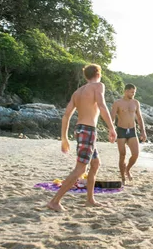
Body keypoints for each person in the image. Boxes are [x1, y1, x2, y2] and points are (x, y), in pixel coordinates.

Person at [47, 64, 117, 212]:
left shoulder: (77, 92)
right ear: (98, 74)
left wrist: (64, 138)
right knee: (80, 169)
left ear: (86, 76)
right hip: (88, 130)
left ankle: (90, 200)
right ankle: (54, 201)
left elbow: (66, 115)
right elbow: (102, 105)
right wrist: (111, 127)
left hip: (80, 130)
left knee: (96, 163)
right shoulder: (98, 86)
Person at [110, 84, 147, 184]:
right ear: (125, 91)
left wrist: (143, 131)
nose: (133, 94)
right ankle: (122, 177)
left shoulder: (135, 103)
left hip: (132, 130)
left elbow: (139, 118)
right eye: (131, 92)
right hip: (121, 130)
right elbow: (112, 118)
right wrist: (111, 130)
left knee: (135, 154)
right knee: (122, 155)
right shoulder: (117, 103)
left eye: (134, 92)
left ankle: (127, 169)